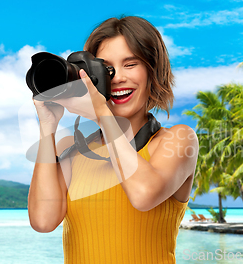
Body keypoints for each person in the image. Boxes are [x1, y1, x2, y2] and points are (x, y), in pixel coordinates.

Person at [28, 16, 198, 263]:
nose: (117, 77)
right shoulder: (75, 153)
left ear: (153, 71)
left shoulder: (177, 140)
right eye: (107, 69)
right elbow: (43, 221)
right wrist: (47, 126)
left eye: (130, 64)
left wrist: (101, 114)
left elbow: (143, 195)